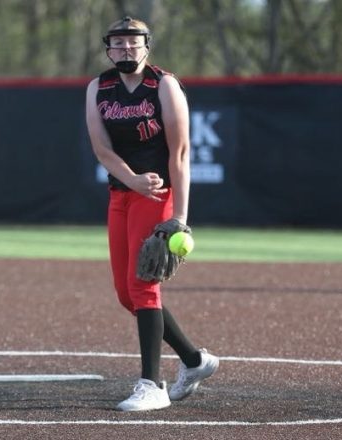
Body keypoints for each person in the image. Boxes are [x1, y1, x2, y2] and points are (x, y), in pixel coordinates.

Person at [85, 16, 219, 412]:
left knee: (143, 286)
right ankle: (194, 361)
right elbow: (102, 149)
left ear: (147, 46)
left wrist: (180, 217)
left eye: (134, 41)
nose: (126, 48)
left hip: (158, 195)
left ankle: (151, 385)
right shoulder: (98, 88)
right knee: (127, 294)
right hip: (122, 193)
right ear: (108, 49)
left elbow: (180, 153)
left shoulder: (164, 85)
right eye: (118, 42)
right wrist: (131, 179)